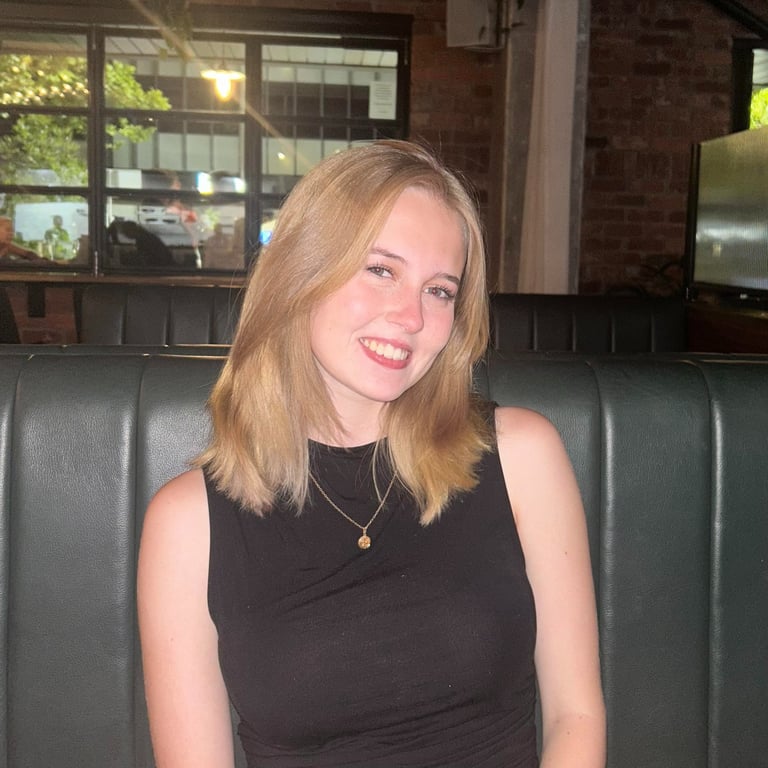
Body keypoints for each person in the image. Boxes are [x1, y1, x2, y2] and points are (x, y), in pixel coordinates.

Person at [138, 140, 606, 768]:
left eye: (440, 290)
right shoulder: (187, 523)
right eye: (381, 270)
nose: (411, 316)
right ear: (301, 272)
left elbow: (577, 717)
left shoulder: (522, 457)